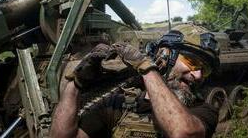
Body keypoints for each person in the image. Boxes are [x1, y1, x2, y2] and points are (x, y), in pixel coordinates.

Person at [51, 24, 220, 138]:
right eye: (192, 63)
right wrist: (75, 83)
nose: (198, 75)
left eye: (205, 70)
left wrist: (146, 68)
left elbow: (182, 133)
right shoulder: (119, 105)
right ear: (165, 55)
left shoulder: (202, 111)